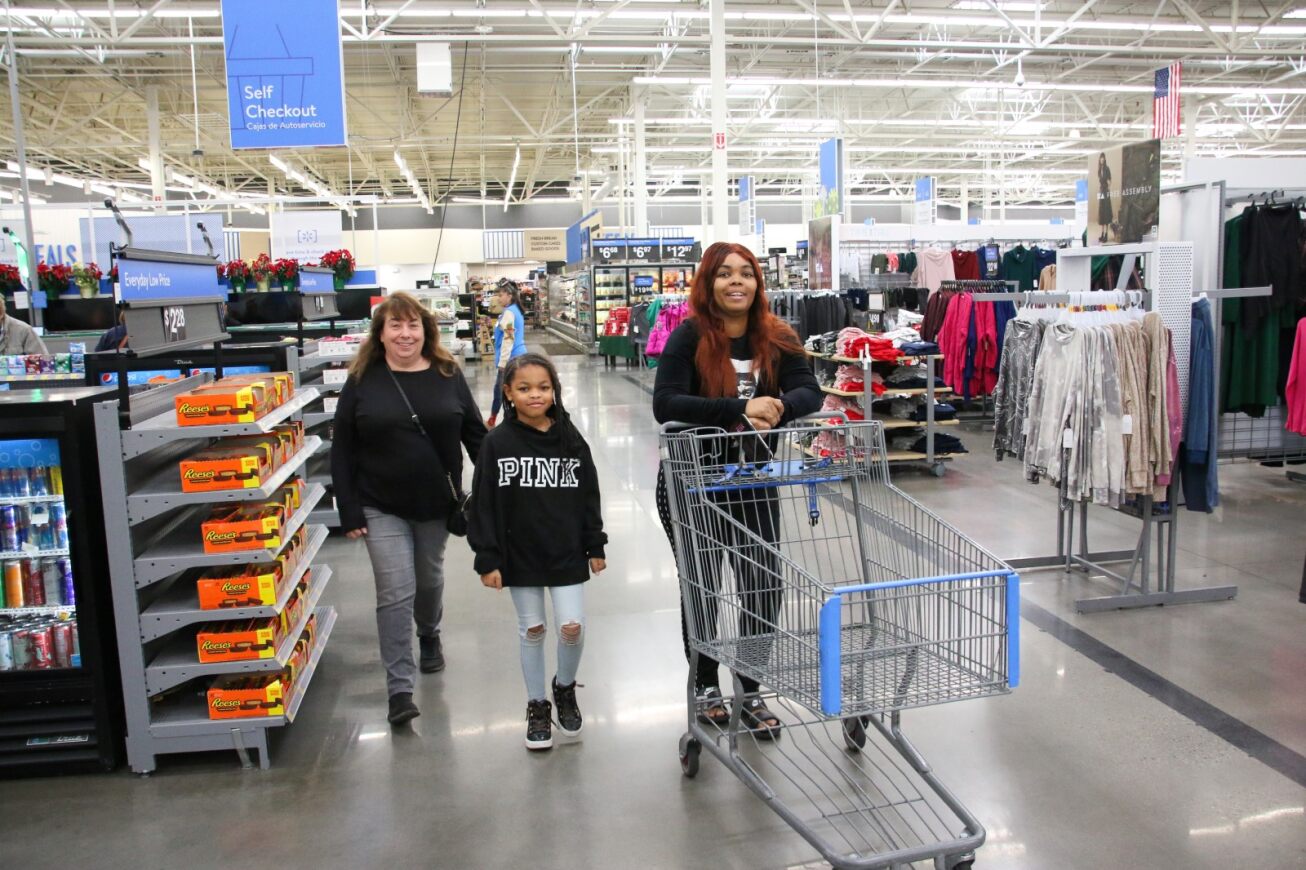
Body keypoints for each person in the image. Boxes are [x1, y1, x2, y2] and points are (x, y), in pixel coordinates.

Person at [651, 241, 822, 738]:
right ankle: (705, 684)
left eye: (745, 273)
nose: (736, 282)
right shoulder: (688, 337)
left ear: (757, 282)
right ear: (708, 283)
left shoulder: (777, 335)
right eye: (724, 274)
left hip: (752, 481)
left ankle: (750, 686)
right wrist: (738, 410)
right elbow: (666, 403)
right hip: (692, 483)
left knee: (764, 584)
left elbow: (808, 389)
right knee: (703, 587)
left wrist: (778, 407)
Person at [331, 291, 488, 726]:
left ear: (426, 330)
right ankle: (399, 688)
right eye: (395, 325)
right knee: (394, 592)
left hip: (436, 503)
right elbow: (342, 448)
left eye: (413, 325)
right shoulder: (363, 380)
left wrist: (500, 484)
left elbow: (476, 437)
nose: (405, 333)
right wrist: (349, 508)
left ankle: (429, 632)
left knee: (429, 579)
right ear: (380, 334)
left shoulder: (447, 374)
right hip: (380, 504)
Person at [468, 353, 607, 751]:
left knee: (572, 626)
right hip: (519, 553)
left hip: (564, 550)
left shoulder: (570, 437)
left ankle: (564, 688)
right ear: (508, 393)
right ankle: (536, 704)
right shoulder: (497, 443)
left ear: (555, 391)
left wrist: (594, 542)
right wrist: (487, 558)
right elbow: (485, 504)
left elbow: (588, 494)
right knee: (533, 630)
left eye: (543, 387)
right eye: (524, 388)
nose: (535, 395)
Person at [486, 279, 528, 428]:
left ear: (509, 295)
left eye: (501, 294)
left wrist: (503, 363)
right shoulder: (515, 309)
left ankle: (493, 419)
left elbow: (508, 338)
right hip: (520, 355)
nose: (499, 297)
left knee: (501, 390)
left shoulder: (509, 312)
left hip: (511, 358)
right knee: (518, 388)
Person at [1097, 152, 1114, 244]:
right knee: (1102, 212)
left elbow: (1110, 181)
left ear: (1105, 159)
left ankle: (1106, 234)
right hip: (1101, 191)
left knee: (1106, 212)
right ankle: (1102, 234)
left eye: (1103, 158)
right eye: (1101, 158)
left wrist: (1107, 183)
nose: (1102, 159)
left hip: (1106, 191)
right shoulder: (1099, 170)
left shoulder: (1107, 169)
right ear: (1099, 159)